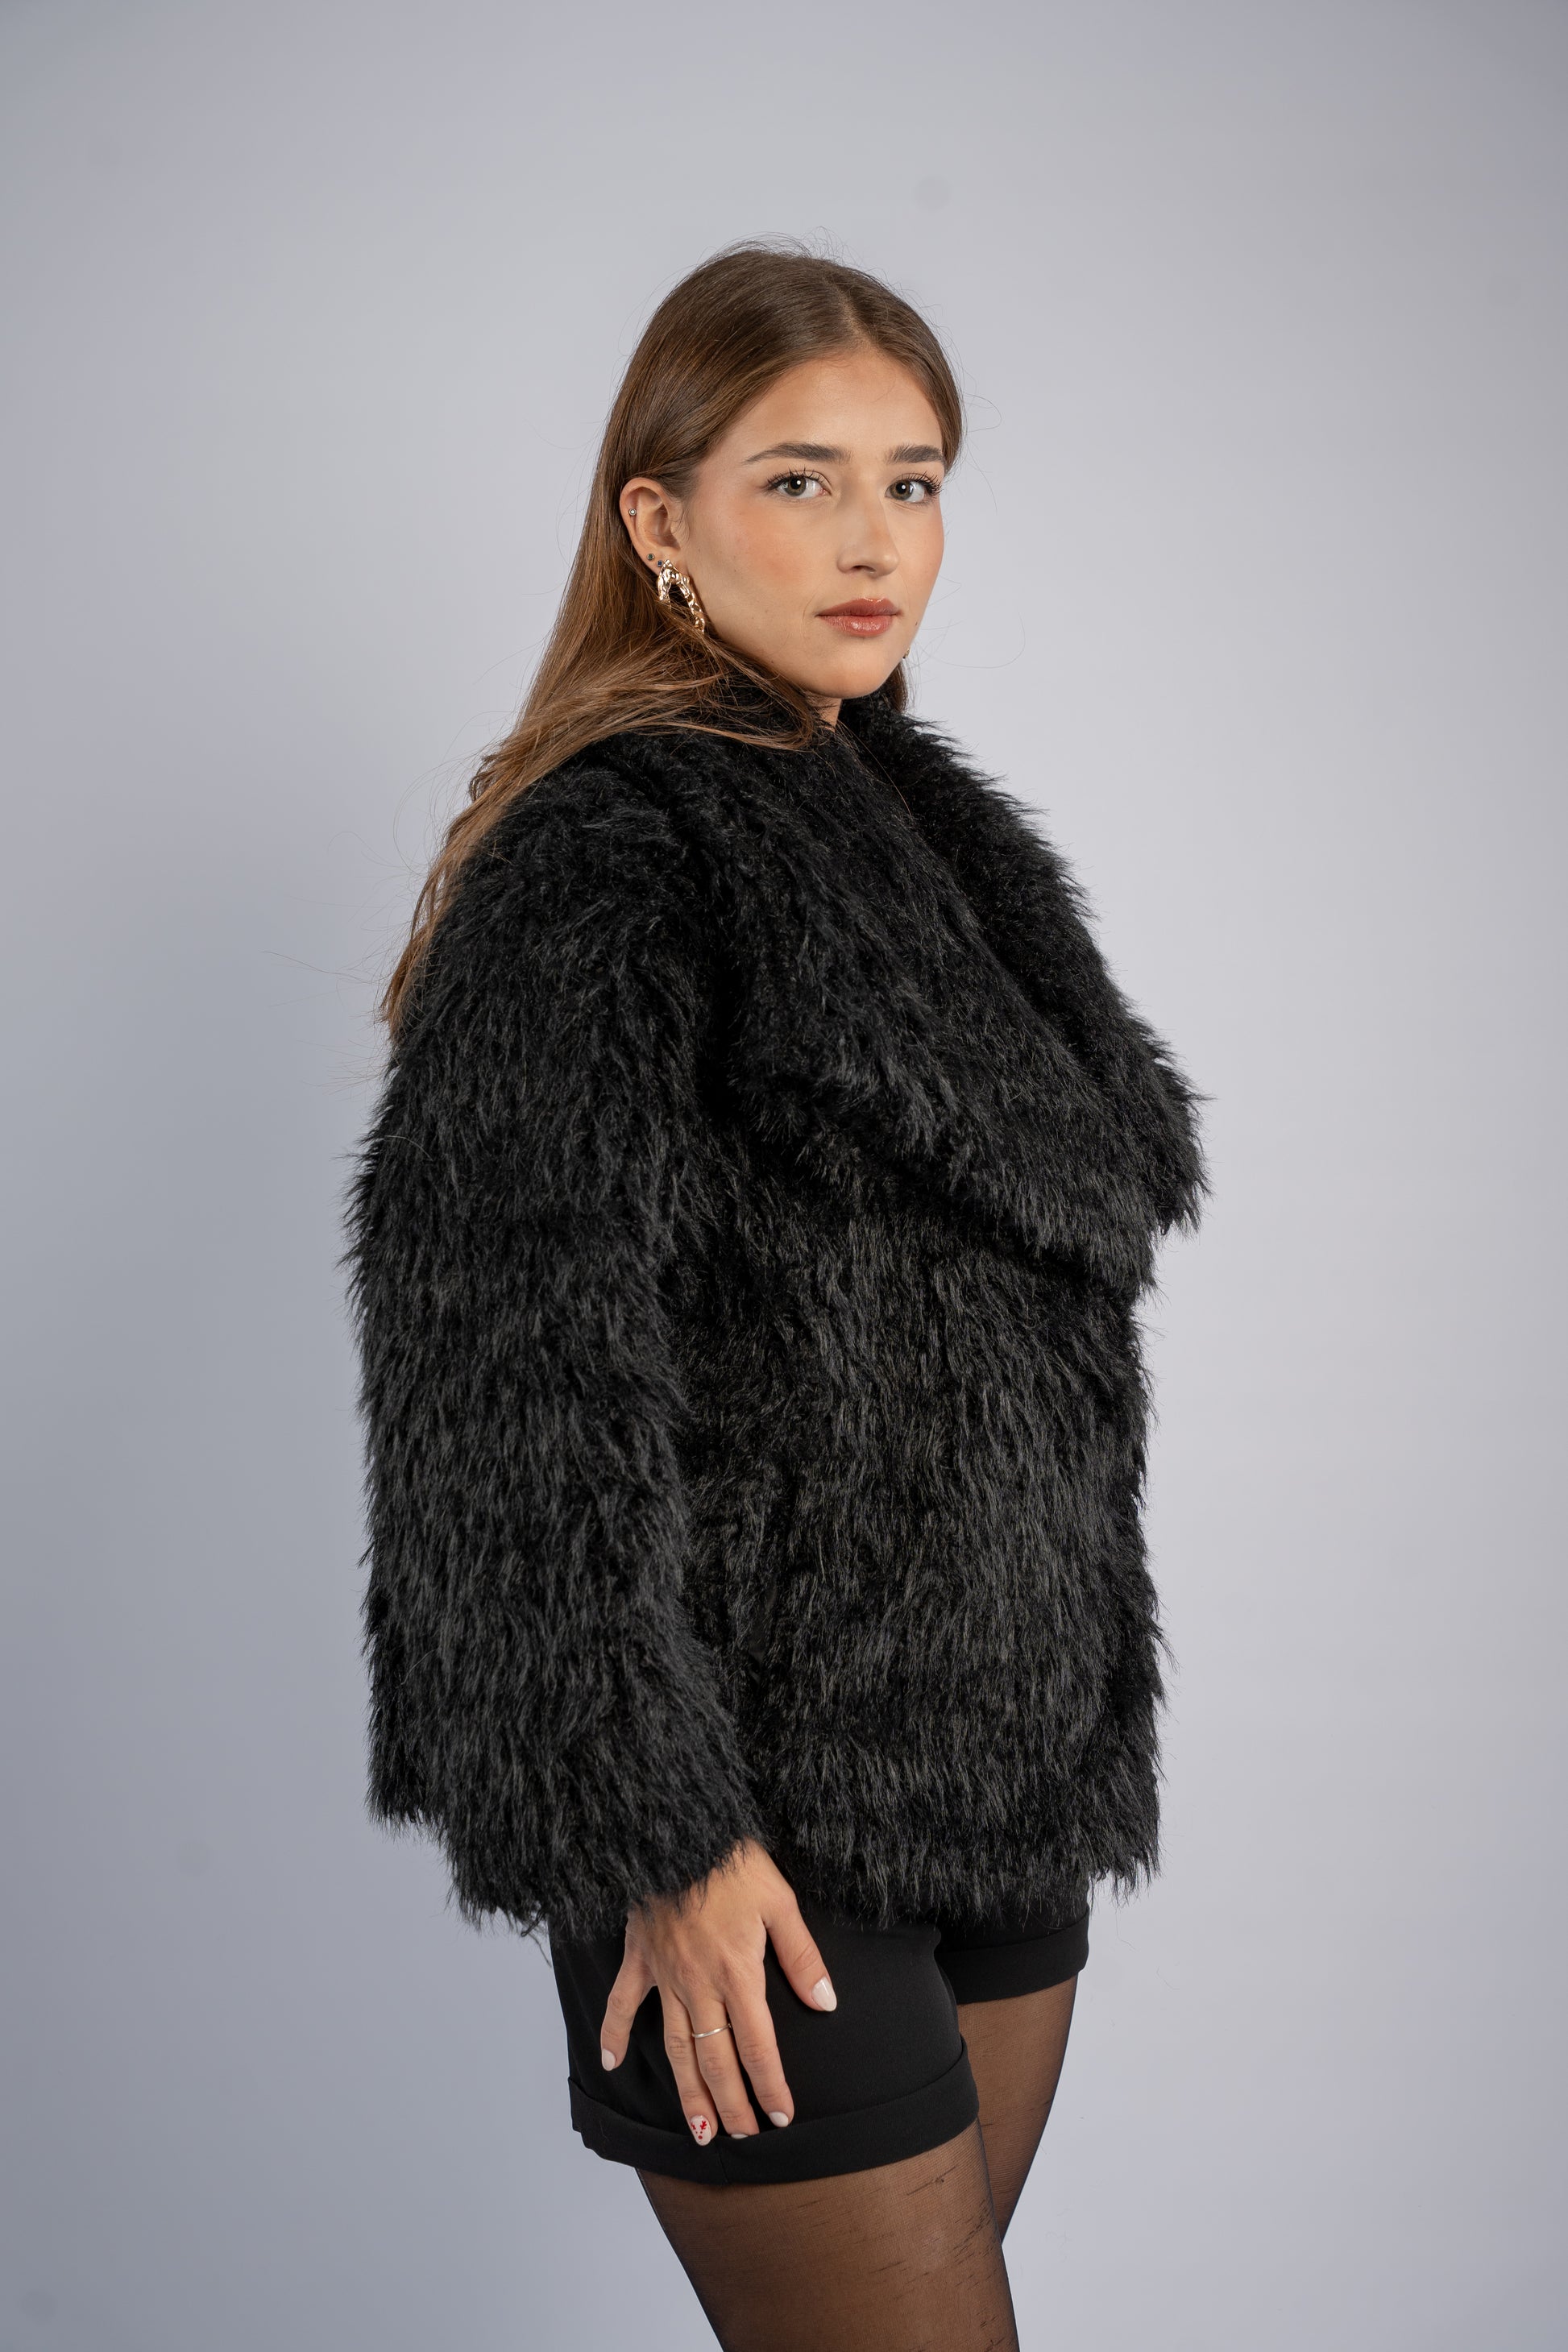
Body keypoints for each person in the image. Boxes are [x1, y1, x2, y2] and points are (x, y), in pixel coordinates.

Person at [346, 241, 1207, 2351]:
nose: (873, 541)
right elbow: (503, 1368)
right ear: (661, 518)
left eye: (913, 483)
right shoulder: (609, 851)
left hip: (997, 1779)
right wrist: (655, 1829)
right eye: (800, 481)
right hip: (742, 1819)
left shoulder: (915, 836)